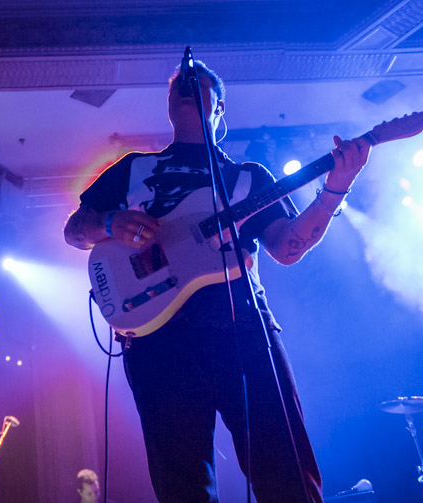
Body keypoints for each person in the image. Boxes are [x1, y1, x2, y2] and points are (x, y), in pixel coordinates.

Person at [63, 60, 370, 502]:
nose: (186, 86)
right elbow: (75, 230)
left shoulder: (248, 179)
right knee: (181, 484)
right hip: (157, 341)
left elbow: (287, 248)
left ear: (219, 105)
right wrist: (110, 223)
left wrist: (335, 188)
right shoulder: (132, 169)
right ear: (168, 104)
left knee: (285, 470)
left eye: (199, 82)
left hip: (244, 333)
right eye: (178, 85)